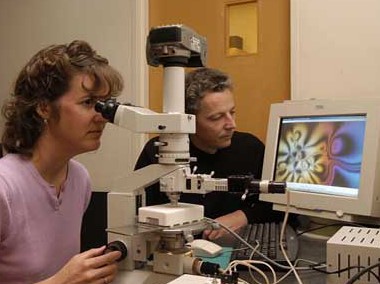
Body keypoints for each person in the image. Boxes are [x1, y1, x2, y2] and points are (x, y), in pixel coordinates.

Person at [0, 40, 124, 283]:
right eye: (88, 103)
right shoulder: (5, 188)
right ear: (44, 108)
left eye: (105, 104)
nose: (102, 117)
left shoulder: (79, 179)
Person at [135, 67, 283, 240]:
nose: (231, 124)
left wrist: (243, 216)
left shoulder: (251, 148)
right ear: (189, 121)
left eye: (232, 112)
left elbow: (280, 206)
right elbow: (138, 218)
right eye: (216, 117)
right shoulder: (160, 151)